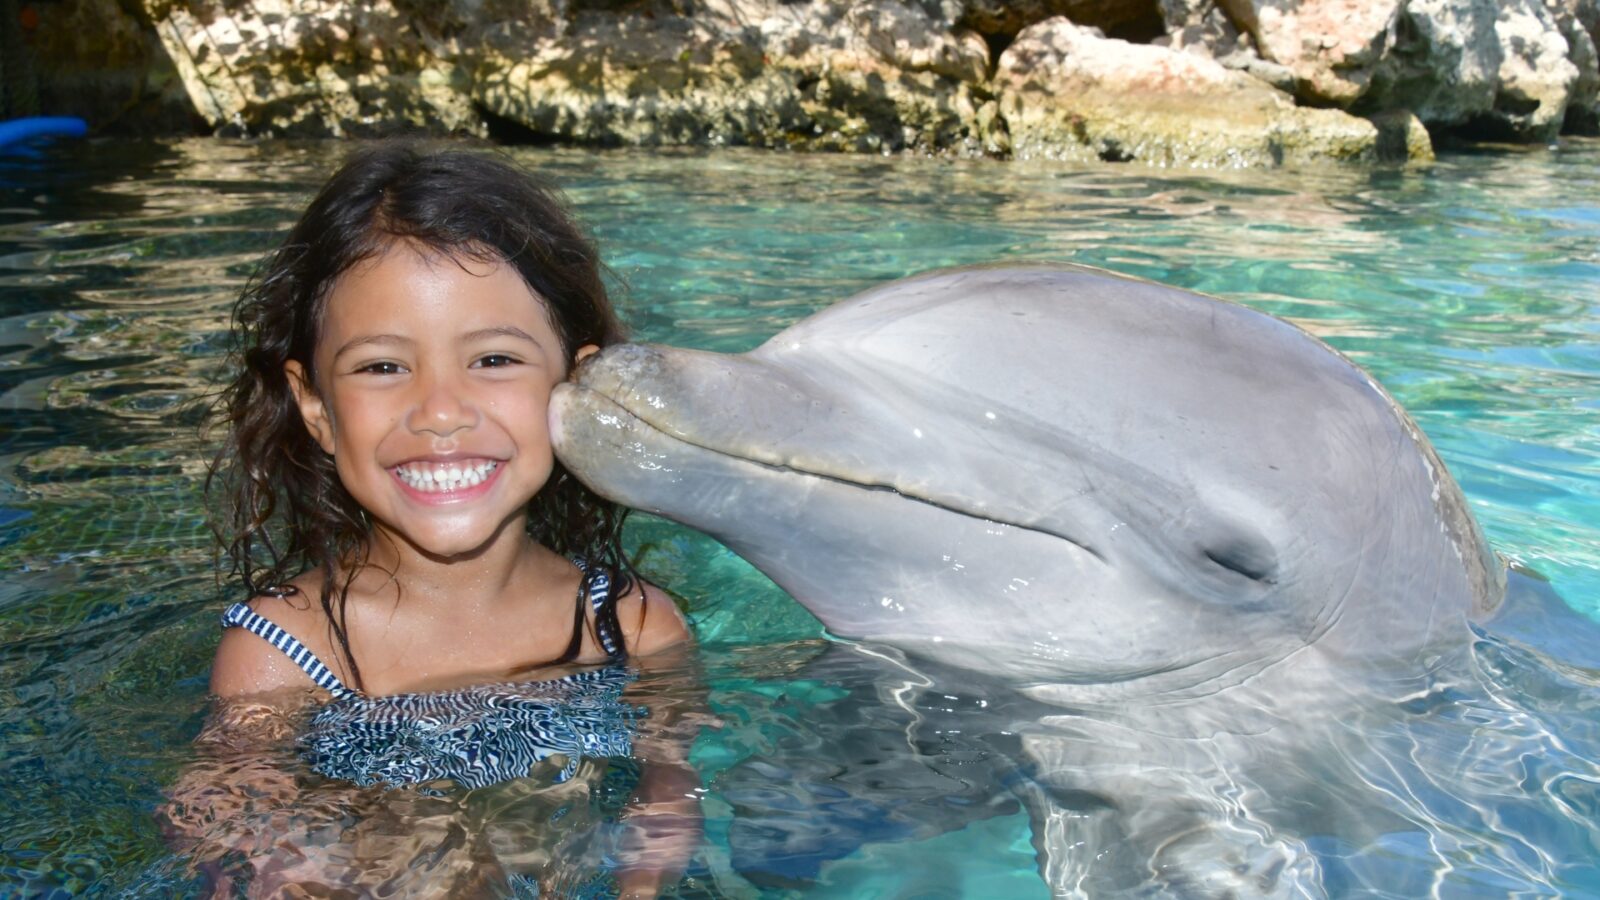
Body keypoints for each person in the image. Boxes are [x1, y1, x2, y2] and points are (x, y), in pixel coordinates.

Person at [163, 141, 700, 897]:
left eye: (494, 361)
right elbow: (224, 816)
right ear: (315, 407)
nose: (441, 411)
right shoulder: (284, 650)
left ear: (579, 387)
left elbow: (670, 787)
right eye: (382, 367)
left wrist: (642, 881)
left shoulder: (632, 627)